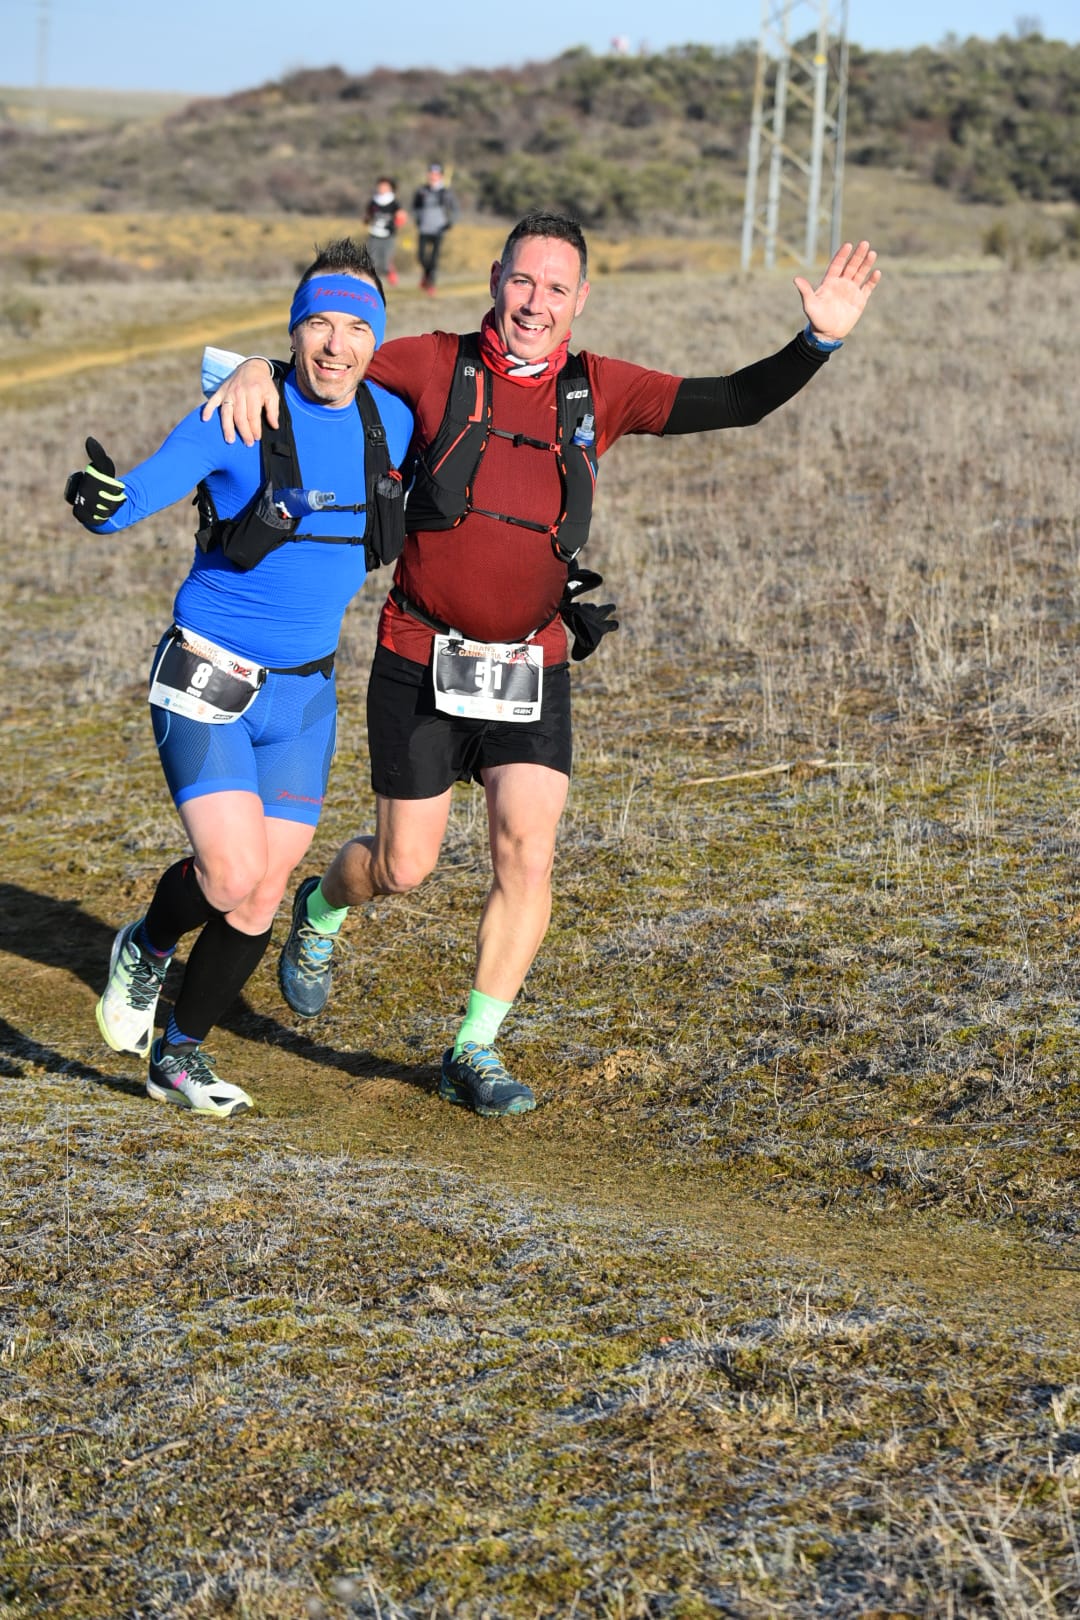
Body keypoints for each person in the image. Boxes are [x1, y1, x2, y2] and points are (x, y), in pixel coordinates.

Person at [203, 211, 880, 1119]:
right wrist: (251, 367)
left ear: (581, 300)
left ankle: (472, 1049)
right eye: (523, 281)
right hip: (419, 656)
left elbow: (734, 400)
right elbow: (327, 362)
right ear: (494, 279)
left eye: (557, 288)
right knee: (405, 868)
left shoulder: (602, 390)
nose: (536, 302)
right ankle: (324, 911)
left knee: (528, 853)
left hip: (532, 665)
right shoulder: (429, 361)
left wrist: (816, 341)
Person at [66, 239, 412, 1118]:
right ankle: (145, 945)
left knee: (262, 892)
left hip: (305, 699)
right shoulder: (238, 412)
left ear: (377, 338)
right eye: (317, 325)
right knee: (226, 878)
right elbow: (139, 496)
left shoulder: (394, 421)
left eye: (355, 328)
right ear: (294, 332)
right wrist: (105, 502)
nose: (336, 345)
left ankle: (177, 1056)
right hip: (207, 676)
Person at [412, 162, 457, 294]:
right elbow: (415, 208)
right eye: (431, 173)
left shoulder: (446, 193)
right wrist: (417, 220)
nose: (433, 176)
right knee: (421, 257)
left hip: (438, 229)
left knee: (434, 259)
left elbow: (455, 210)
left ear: (441, 176)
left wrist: (449, 223)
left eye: (436, 174)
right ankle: (426, 275)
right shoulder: (421, 191)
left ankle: (431, 284)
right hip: (424, 228)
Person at [364, 176, 407, 287]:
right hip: (374, 234)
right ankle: (373, 283)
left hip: (388, 235)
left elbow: (401, 216)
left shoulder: (394, 202)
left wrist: (396, 223)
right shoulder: (374, 201)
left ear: (391, 188)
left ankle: (390, 272)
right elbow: (368, 215)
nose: (382, 188)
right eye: (380, 186)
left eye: (385, 186)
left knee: (386, 261)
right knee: (373, 260)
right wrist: (367, 220)